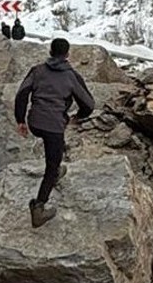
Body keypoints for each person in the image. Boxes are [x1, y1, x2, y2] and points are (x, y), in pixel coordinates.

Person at [14, 38, 96, 228]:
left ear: (50, 51)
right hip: (54, 127)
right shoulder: (72, 76)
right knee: (51, 165)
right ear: (67, 54)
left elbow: (21, 94)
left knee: (53, 148)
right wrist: (77, 117)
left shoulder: (38, 70)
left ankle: (56, 171)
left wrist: (20, 120)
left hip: (34, 123)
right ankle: (39, 208)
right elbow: (89, 105)